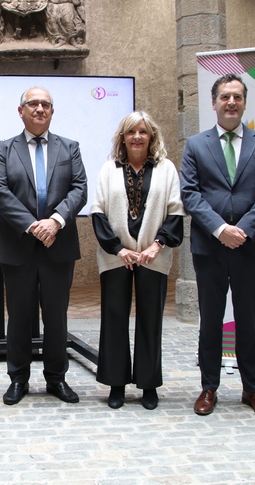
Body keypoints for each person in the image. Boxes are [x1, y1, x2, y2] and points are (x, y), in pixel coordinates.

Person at [180, 73, 255, 418]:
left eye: (237, 96)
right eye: (225, 97)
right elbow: (190, 194)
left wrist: (244, 230)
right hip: (209, 248)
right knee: (210, 321)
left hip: (249, 248)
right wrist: (221, 228)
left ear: (245, 102)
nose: (231, 102)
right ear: (214, 103)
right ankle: (209, 387)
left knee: (248, 320)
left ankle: (253, 390)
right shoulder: (196, 144)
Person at [0, 87, 88, 405]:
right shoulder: (4, 149)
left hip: (58, 245)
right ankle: (18, 379)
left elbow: (79, 188)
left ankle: (56, 379)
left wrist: (55, 221)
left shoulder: (69, 147)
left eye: (46, 104)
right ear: (21, 111)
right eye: (33, 104)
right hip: (17, 244)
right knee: (18, 316)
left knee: (57, 316)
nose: (40, 109)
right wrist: (34, 226)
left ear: (52, 111)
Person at [90, 112, 184, 409]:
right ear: (123, 137)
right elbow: (98, 212)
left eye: (143, 131)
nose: (137, 137)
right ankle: (116, 384)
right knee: (114, 318)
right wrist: (118, 249)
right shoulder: (109, 169)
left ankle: (148, 384)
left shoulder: (166, 169)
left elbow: (175, 211)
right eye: (131, 132)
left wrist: (156, 246)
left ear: (152, 136)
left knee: (150, 319)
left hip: (152, 256)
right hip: (116, 256)